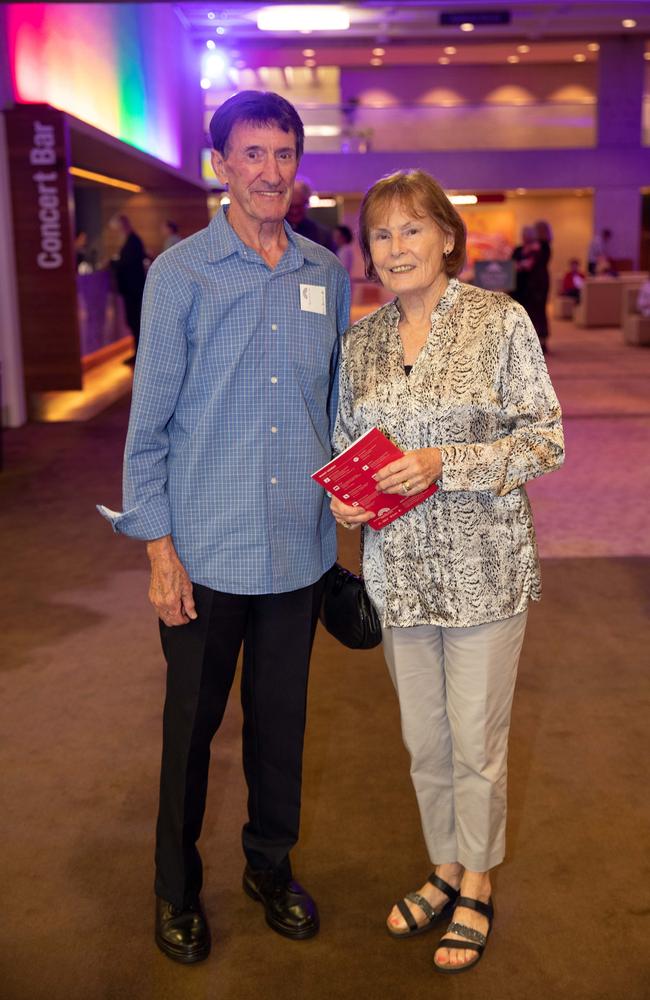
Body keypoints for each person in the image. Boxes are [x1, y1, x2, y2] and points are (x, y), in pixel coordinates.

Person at [98, 90, 350, 964]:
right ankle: (175, 889)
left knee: (283, 731)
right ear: (220, 165)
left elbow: (335, 405)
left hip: (299, 548)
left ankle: (270, 870)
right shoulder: (181, 276)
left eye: (283, 154)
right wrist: (159, 553)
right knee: (190, 736)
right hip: (205, 553)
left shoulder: (325, 273)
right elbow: (149, 427)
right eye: (251, 154)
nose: (269, 172)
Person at [328, 170, 564, 974]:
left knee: (477, 745)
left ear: (447, 238)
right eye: (382, 235)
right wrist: (346, 505)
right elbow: (343, 447)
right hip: (398, 574)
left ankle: (479, 881)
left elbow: (545, 441)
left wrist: (443, 462)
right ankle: (442, 865)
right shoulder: (359, 342)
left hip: (483, 572)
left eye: (412, 230)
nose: (396, 248)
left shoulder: (500, 323)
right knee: (424, 741)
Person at [511, 224, 550, 352]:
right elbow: (512, 265)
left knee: (538, 313)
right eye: (524, 235)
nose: (525, 237)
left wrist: (521, 265)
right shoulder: (518, 250)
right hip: (519, 287)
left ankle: (541, 341)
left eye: (528, 235)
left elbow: (529, 266)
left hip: (537, 286)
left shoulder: (541, 248)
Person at [110, 214, 147, 352]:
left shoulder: (133, 241)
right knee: (133, 321)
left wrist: (113, 263)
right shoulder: (132, 240)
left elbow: (128, 263)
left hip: (134, 288)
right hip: (132, 288)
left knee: (135, 321)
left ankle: (139, 353)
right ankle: (137, 351)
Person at [286, 177, 337, 252]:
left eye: (299, 206)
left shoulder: (321, 234)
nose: (294, 211)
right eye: (291, 206)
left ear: (306, 203)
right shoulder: (274, 232)